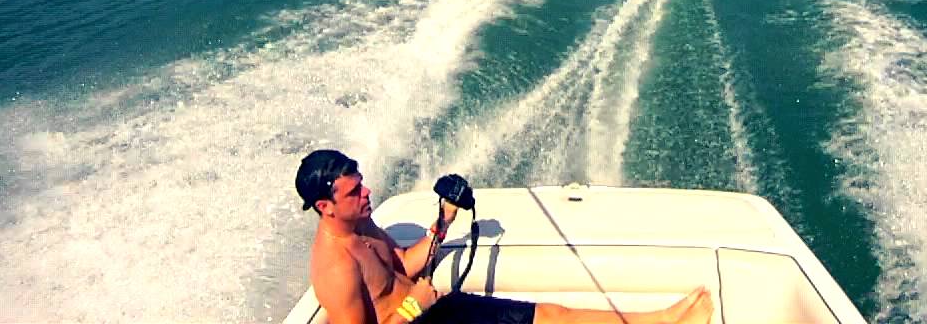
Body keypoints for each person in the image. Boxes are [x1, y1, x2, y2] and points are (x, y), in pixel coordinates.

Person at [296, 150, 713, 324]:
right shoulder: (335, 267)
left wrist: (444, 220)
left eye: (362, 184)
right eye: (355, 192)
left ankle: (657, 320)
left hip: (435, 310)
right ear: (325, 206)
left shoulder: (361, 223)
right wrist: (411, 307)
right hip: (419, 318)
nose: (367, 192)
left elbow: (402, 264)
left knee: (549, 315)